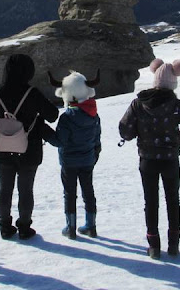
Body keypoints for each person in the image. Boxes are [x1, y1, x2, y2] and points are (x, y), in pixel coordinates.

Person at [119, 58, 180, 259]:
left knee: (151, 201)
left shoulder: (139, 103)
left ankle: (154, 247)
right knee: (173, 200)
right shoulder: (175, 105)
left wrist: (139, 131)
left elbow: (125, 131)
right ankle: (173, 246)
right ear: (173, 82)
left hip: (147, 160)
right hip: (170, 159)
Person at [0, 54, 59, 240]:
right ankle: (25, 228)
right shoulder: (32, 93)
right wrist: (35, 117)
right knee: (26, 190)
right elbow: (52, 115)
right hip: (29, 149)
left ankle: (5, 227)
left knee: (4, 188)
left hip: (3, 146)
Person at [47, 70, 101, 240]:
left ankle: (70, 228)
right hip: (87, 160)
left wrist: (44, 131)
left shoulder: (67, 117)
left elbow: (59, 141)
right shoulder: (94, 115)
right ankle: (91, 226)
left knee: (70, 194)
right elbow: (97, 139)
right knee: (88, 192)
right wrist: (94, 155)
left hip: (69, 162)